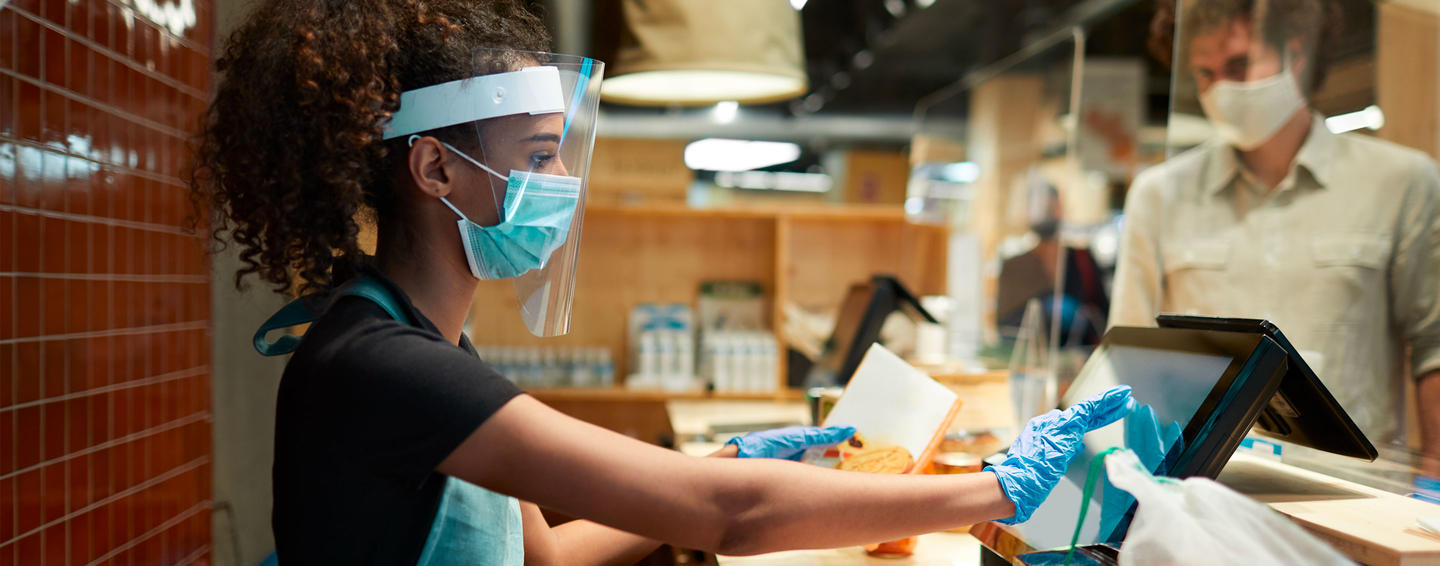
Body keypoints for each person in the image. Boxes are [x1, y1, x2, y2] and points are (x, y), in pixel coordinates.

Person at [191, 1, 1133, 563]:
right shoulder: (382, 363)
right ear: (435, 172)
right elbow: (732, 522)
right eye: (538, 157)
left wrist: (729, 462)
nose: (562, 189)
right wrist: (998, 489)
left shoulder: (427, 339)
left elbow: (550, 556)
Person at [1111, 0, 1440, 459]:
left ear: (1296, 53)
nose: (1221, 90)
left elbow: (1433, 351)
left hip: (1350, 493)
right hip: (1200, 491)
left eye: (1239, 64)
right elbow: (1129, 356)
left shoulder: (1401, 182)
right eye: (1205, 74)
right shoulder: (1159, 194)